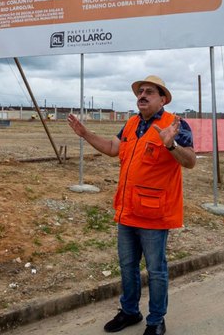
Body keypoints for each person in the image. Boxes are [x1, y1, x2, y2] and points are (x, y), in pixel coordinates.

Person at [67, 75, 195, 335]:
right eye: (140, 91)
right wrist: (85, 133)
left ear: (163, 99)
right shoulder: (131, 123)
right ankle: (129, 311)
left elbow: (190, 160)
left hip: (155, 214)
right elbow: (114, 148)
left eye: (149, 92)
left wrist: (170, 144)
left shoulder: (176, 124)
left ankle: (156, 320)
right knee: (127, 266)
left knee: (156, 270)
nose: (142, 95)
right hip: (128, 210)